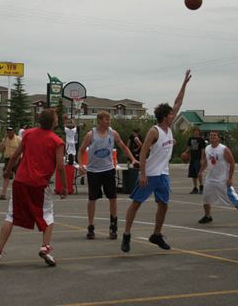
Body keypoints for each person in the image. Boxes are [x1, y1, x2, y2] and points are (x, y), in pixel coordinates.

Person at [0, 109, 67, 267]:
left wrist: (8, 171)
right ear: (54, 123)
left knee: (10, 216)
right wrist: (64, 186)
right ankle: (45, 247)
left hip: (21, 181)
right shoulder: (57, 141)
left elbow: (15, 156)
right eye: (57, 119)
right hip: (39, 184)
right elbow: (61, 167)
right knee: (47, 215)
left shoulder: (28, 134)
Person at [121, 70, 191, 253]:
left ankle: (156, 234)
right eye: (170, 114)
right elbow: (143, 153)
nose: (173, 115)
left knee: (164, 204)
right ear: (164, 116)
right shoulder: (155, 131)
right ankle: (126, 234)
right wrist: (142, 174)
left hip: (163, 174)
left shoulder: (168, 129)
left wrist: (184, 83)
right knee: (136, 203)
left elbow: (178, 102)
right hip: (150, 174)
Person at [79, 111, 139, 240]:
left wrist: (133, 159)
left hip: (108, 170)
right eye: (106, 119)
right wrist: (80, 165)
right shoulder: (91, 135)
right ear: (99, 120)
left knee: (113, 198)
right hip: (93, 171)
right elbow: (81, 150)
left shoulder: (113, 133)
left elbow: (123, 146)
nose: (109, 121)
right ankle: (90, 226)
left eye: (109, 119)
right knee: (92, 199)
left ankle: (113, 226)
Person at [197, 131, 238, 228]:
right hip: (210, 179)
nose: (212, 137)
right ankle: (208, 216)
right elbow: (206, 162)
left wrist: (230, 178)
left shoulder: (223, 149)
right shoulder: (207, 148)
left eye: (214, 135)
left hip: (222, 180)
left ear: (218, 138)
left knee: (234, 199)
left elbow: (232, 163)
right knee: (206, 198)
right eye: (211, 135)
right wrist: (200, 171)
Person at [0, 127, 22, 200]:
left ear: (13, 131)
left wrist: (17, 159)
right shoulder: (5, 139)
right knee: (6, 176)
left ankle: (20, 194)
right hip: (8, 159)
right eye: (8, 131)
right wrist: (3, 141)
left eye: (10, 131)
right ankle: (3, 194)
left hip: (17, 159)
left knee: (18, 177)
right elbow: (1, 149)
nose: (9, 133)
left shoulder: (18, 139)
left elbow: (22, 149)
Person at [185, 128, 207, 194]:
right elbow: (189, 148)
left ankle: (201, 186)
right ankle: (195, 188)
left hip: (198, 158)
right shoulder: (191, 139)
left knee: (199, 173)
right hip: (192, 158)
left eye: (197, 131)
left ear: (199, 132)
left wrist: (202, 159)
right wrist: (185, 153)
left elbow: (203, 149)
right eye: (195, 131)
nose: (196, 132)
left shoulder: (201, 140)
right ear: (193, 132)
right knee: (193, 174)